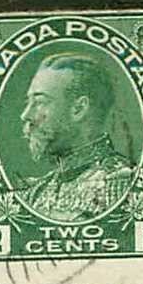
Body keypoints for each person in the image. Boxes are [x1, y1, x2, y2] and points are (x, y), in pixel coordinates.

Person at [17, 52, 135, 221]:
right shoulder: (35, 193)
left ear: (79, 109)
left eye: (40, 102)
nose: (25, 115)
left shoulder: (121, 183)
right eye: (27, 102)